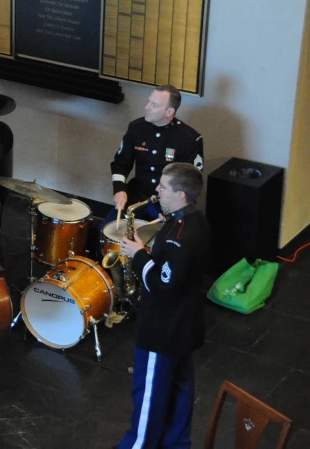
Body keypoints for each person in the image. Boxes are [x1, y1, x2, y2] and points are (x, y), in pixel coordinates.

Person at [114, 162, 211, 449]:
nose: (157, 189)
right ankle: (176, 443)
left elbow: (164, 284)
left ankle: (138, 445)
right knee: (180, 387)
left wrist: (139, 255)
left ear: (181, 194)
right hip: (185, 325)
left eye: (163, 187)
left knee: (148, 395)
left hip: (162, 329)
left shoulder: (182, 236)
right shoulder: (193, 220)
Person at [106, 85, 204, 225]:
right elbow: (120, 164)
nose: (147, 107)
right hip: (136, 197)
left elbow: (191, 183)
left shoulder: (189, 139)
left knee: (157, 244)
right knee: (106, 231)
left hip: (169, 206)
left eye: (154, 105)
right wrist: (119, 190)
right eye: (148, 102)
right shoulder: (136, 128)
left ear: (169, 111)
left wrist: (171, 209)